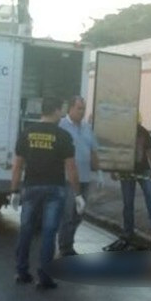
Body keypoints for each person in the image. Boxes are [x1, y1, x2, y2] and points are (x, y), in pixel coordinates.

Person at [9, 96, 83, 290]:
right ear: (57, 111)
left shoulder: (27, 133)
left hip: (31, 186)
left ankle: (22, 271)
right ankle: (45, 275)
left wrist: (14, 190)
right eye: (62, 110)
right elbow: (71, 168)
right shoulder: (63, 136)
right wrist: (77, 194)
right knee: (49, 232)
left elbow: (17, 166)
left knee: (26, 229)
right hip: (54, 189)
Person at [114, 113, 151, 244]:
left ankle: (134, 230)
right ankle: (150, 227)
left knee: (138, 200)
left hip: (137, 170)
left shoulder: (133, 132)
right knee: (140, 199)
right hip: (132, 171)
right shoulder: (132, 132)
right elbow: (118, 152)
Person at [57, 96, 99, 256]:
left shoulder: (87, 128)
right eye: (79, 108)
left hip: (85, 178)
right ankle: (65, 247)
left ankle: (68, 242)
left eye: (83, 109)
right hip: (68, 179)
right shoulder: (61, 126)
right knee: (68, 213)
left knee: (79, 215)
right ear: (70, 109)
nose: (82, 112)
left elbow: (93, 150)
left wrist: (100, 169)